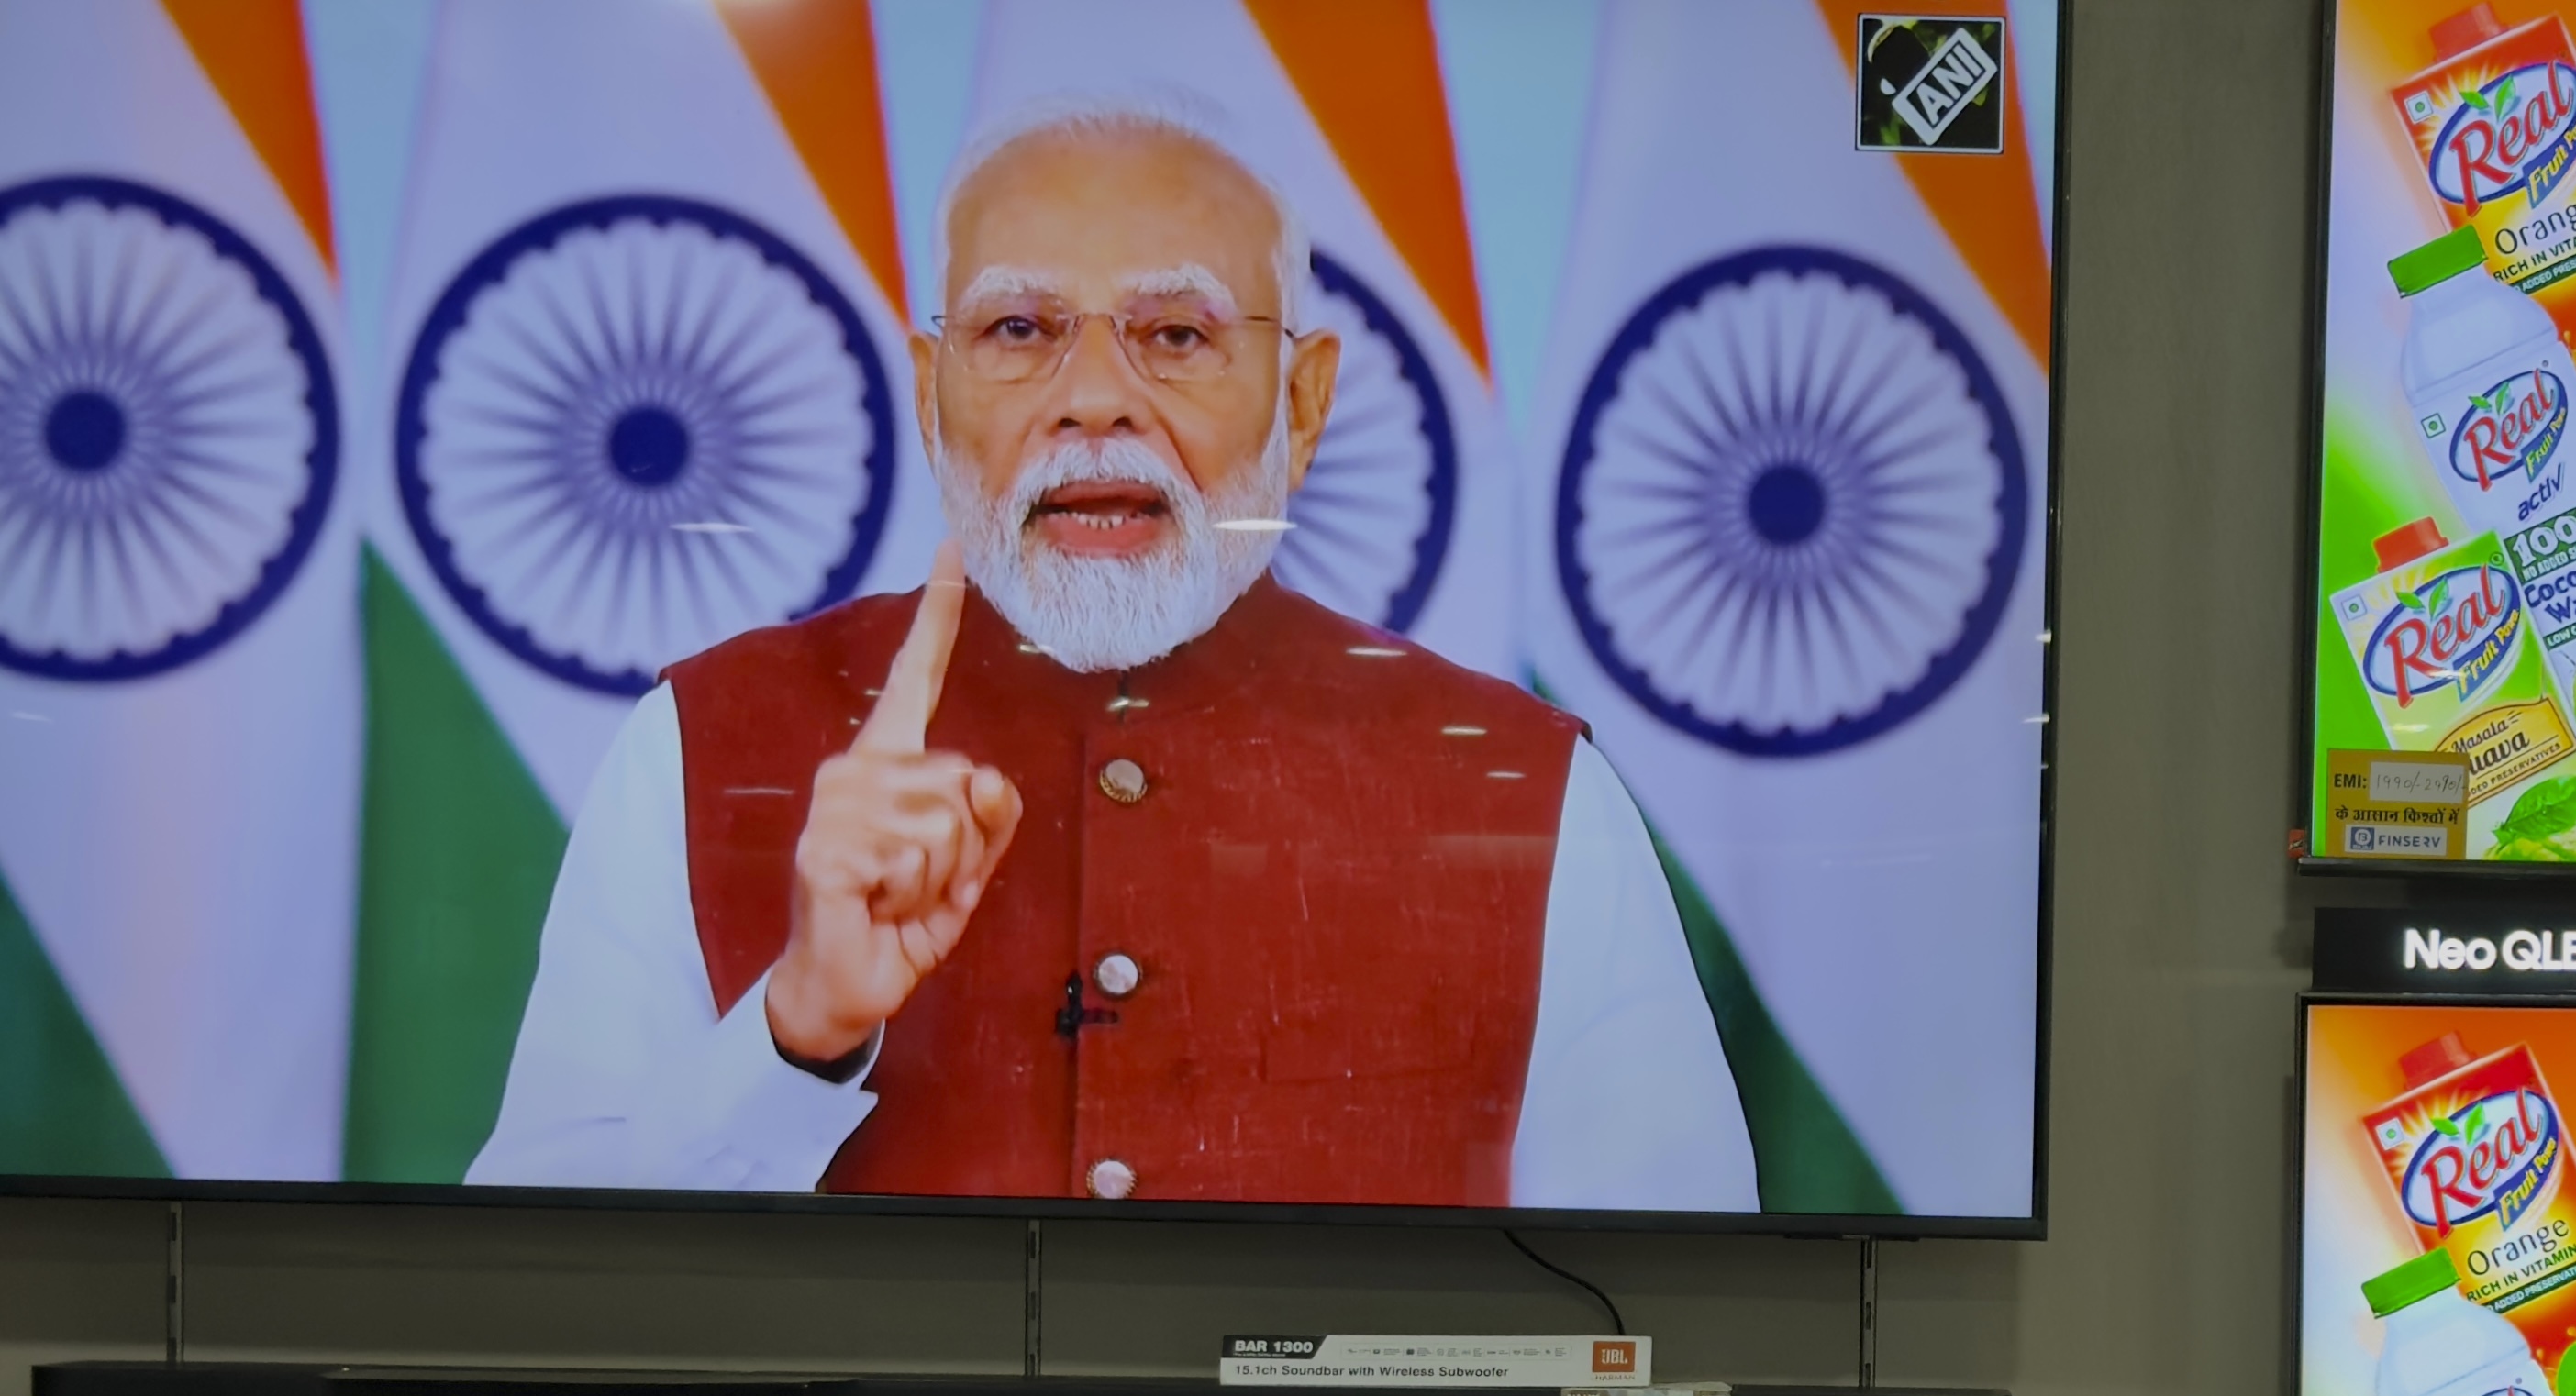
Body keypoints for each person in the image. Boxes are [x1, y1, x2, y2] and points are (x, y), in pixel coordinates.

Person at [471, 98, 1754, 1213]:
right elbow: (528, 1323)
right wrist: (795, 1032)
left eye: (1178, 334)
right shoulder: (700, 744)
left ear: (1302, 405)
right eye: (1020, 330)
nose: (1093, 399)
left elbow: (1677, 1368)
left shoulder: (1530, 794)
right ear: (930, 397)